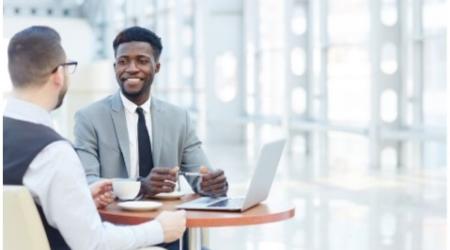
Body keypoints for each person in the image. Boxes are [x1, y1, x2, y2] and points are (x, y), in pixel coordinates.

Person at [3, 25, 186, 250]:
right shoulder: (53, 153)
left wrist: (80, 198)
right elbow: (93, 243)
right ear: (59, 74)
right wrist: (159, 229)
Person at [74, 26, 228, 198]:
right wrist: (140, 187)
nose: (131, 68)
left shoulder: (179, 119)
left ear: (157, 67)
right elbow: (88, 181)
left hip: (168, 218)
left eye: (142, 60)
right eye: (123, 61)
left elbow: (201, 176)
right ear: (115, 66)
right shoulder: (89, 118)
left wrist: (213, 185)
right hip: (114, 219)